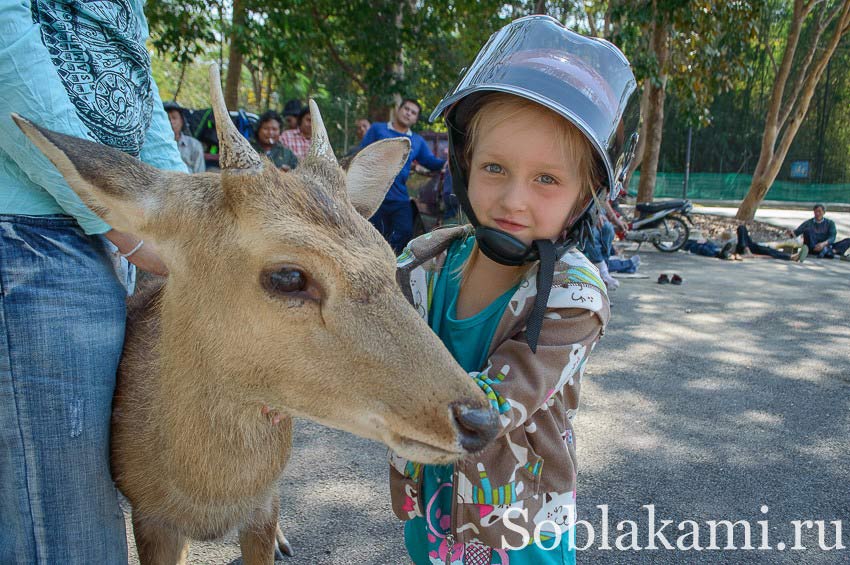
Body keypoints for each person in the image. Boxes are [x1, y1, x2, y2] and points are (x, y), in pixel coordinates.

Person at [389, 15, 636, 564]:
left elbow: (492, 407)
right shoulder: (423, 264)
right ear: (464, 162)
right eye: (494, 167)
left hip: (519, 526)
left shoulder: (575, 297)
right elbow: (355, 336)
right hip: (436, 508)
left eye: (546, 179)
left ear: (583, 196)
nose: (512, 200)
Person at [0, 1, 185, 563]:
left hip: (104, 239)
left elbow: (136, 84)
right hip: (35, 239)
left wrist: (180, 217)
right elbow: (11, 60)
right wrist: (119, 227)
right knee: (65, 531)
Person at [359, 98, 445, 252]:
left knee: (404, 232)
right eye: (406, 109)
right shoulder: (378, 129)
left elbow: (430, 161)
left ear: (415, 119)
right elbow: (361, 154)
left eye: (413, 113)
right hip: (374, 196)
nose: (408, 113)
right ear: (398, 109)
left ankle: (392, 268)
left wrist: (447, 162)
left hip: (399, 197)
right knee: (371, 236)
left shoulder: (417, 141)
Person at [165, 101, 206, 173]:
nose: (171, 121)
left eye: (174, 118)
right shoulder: (157, 146)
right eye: (167, 118)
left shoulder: (194, 145)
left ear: (181, 121)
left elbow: (200, 175)